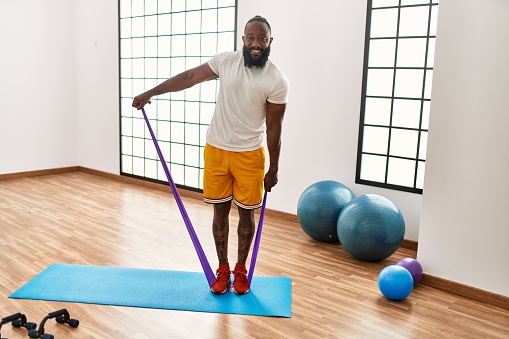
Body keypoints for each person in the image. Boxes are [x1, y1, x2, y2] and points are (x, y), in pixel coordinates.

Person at [132, 15, 289, 295]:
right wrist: (151, 92)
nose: (256, 44)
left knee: (246, 215)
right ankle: (223, 268)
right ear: (243, 40)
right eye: (251, 38)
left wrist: (273, 168)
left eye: (261, 39)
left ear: (270, 42)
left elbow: (274, 127)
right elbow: (190, 77)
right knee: (219, 212)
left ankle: (241, 270)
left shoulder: (276, 79)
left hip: (249, 155)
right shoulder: (225, 62)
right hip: (217, 150)